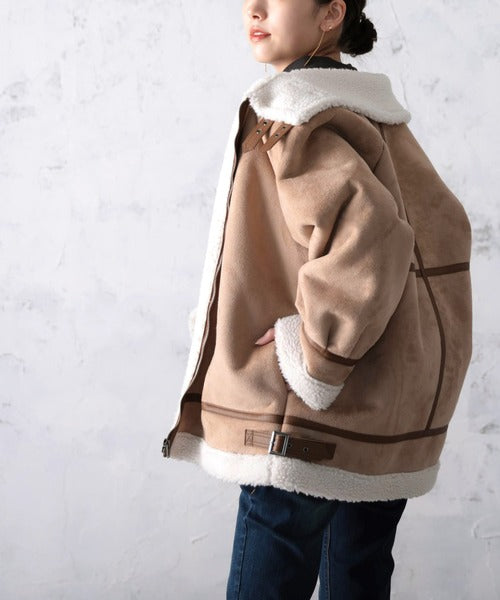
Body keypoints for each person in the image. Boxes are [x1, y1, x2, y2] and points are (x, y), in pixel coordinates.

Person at [161, 1, 473, 598]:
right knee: (358, 573)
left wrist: (311, 352)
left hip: (310, 414)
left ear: (331, 14)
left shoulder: (300, 115)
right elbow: (446, 228)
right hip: (387, 405)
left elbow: (372, 241)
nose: (254, 9)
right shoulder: (377, 119)